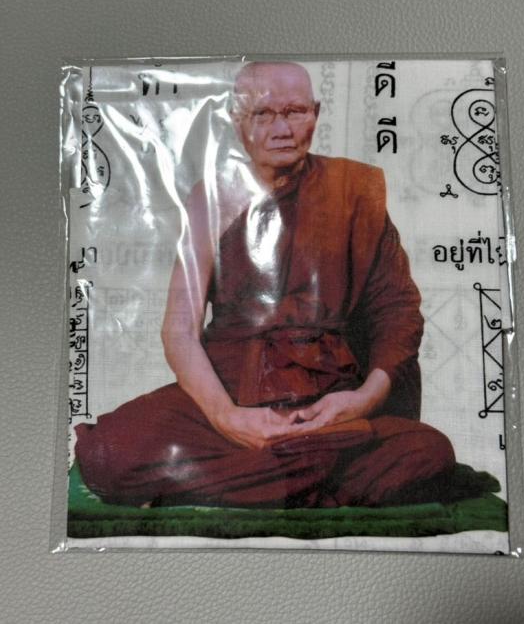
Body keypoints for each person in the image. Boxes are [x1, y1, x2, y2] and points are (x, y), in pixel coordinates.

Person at [75, 61, 455, 509]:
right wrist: (227, 418)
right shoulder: (210, 199)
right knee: (109, 454)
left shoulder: (355, 190)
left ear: (316, 113)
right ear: (238, 119)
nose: (282, 129)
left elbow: (397, 312)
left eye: (295, 112)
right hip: (233, 390)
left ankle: (253, 479)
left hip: (329, 402)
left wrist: (360, 401)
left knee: (430, 451)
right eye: (263, 114)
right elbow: (179, 330)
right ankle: (311, 478)